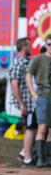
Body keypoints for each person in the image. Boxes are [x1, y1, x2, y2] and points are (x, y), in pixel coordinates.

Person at [9, 37, 36, 166]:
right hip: (27, 103)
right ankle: (27, 157)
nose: (31, 48)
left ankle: (23, 152)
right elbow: (14, 84)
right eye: (29, 46)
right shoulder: (18, 63)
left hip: (32, 102)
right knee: (31, 128)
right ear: (24, 46)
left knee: (36, 128)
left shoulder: (27, 61)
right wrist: (21, 103)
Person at [26, 34, 51, 168]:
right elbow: (28, 75)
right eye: (49, 44)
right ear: (46, 45)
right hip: (42, 94)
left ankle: (48, 159)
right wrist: (33, 93)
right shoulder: (39, 59)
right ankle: (40, 159)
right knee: (41, 127)